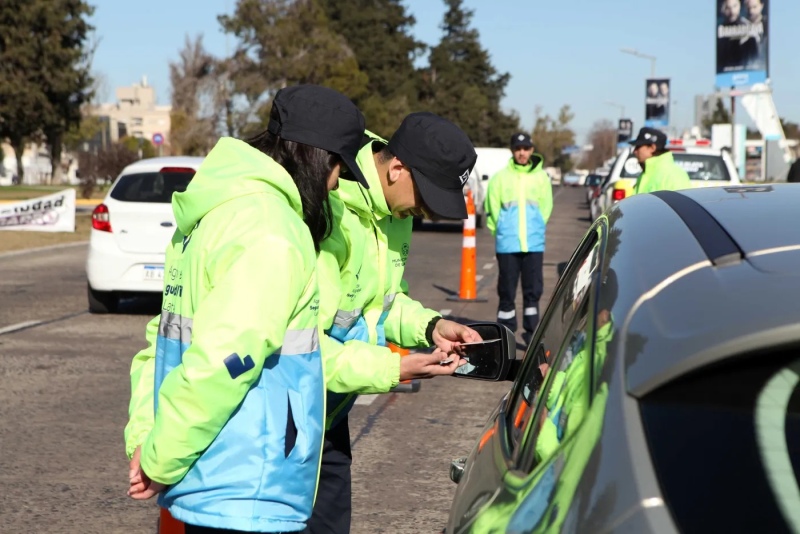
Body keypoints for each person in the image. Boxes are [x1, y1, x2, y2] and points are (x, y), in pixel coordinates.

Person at [124, 84, 372, 533]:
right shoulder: (273, 231)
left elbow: (157, 347)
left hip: (208, 471)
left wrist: (149, 437)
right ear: (317, 158)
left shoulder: (211, 214)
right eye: (338, 167)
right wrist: (160, 455)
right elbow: (225, 361)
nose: (335, 183)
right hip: (248, 483)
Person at [308, 112, 481, 534]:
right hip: (288, 416)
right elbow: (301, 346)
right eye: (424, 197)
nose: (422, 211)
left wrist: (432, 326)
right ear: (397, 169)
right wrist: (395, 368)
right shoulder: (329, 212)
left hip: (332, 413)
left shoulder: (394, 214)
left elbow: (383, 303)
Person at [484, 132, 553, 346]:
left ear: (531, 150)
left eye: (525, 148)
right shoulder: (500, 178)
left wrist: (536, 228)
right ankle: (505, 334)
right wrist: (503, 232)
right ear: (513, 151)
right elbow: (491, 209)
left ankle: (532, 332)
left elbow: (546, 208)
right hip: (508, 244)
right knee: (506, 291)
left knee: (533, 292)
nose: (522, 153)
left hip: (533, 244)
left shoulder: (541, 177)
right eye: (517, 149)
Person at [628, 127, 691, 195]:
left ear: (652, 148)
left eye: (638, 147)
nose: (635, 151)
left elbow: (681, 204)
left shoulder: (674, 175)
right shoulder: (646, 174)